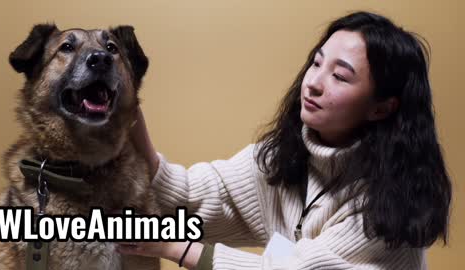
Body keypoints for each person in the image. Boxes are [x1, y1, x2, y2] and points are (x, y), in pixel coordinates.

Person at [117, 11, 452, 269]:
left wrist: (172, 248)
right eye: (317, 63)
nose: (314, 83)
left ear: (381, 108)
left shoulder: (386, 204)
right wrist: (130, 111)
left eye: (340, 76)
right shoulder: (281, 159)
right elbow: (190, 201)